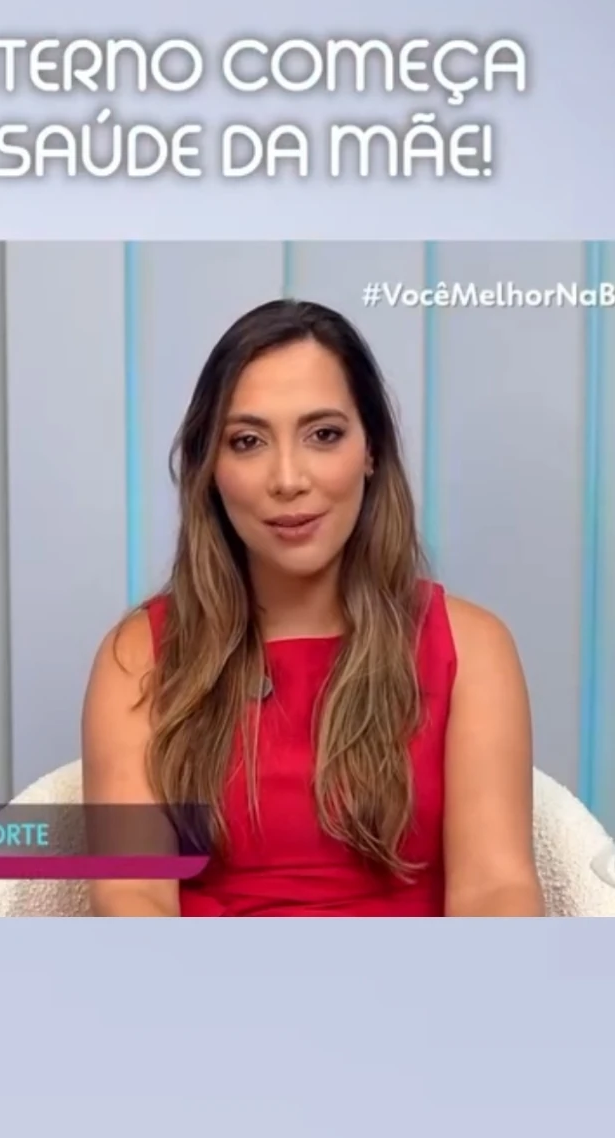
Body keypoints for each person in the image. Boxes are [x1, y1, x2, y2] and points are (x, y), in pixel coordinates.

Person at [81, 299, 544, 917]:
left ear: (370, 450)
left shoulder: (474, 648)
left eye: (323, 435)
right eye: (247, 441)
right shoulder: (137, 654)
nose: (288, 479)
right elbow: (131, 893)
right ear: (210, 469)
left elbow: (496, 889)